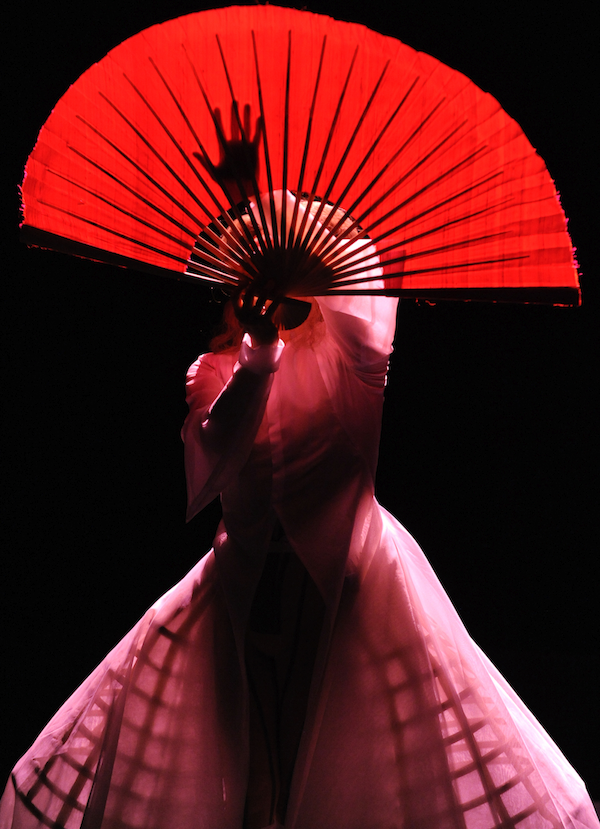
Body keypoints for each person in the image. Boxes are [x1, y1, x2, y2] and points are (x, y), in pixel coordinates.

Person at [1, 193, 598, 829]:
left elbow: (366, 302)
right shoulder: (216, 370)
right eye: (260, 272)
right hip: (243, 585)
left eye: (295, 273)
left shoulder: (352, 362)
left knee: (346, 763)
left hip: (352, 585)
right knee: (253, 768)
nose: (277, 287)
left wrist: (302, 241)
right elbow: (214, 463)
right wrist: (259, 354)